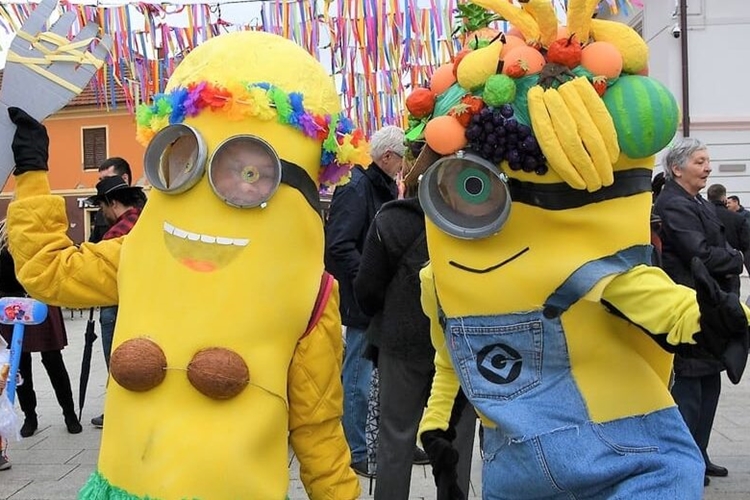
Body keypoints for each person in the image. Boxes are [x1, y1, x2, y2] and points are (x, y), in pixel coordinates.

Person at [4, 29, 363, 499]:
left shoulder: (308, 294)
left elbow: (318, 423)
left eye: (249, 173)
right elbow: (48, 271)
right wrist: (32, 175)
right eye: (186, 163)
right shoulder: (140, 253)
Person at [353, 152, 476, 499]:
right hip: (460, 346)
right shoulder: (485, 218)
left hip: (401, 345)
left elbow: (367, 289)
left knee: (395, 437)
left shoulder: (394, 220)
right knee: (455, 440)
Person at [654, 139, 744, 486]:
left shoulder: (697, 201)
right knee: (690, 385)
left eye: (707, 161)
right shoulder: (674, 203)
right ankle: (686, 459)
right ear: (677, 168)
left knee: (710, 381)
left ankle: (700, 452)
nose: (708, 167)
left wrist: (728, 256)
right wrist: (735, 259)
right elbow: (701, 253)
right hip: (689, 303)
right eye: (700, 162)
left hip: (709, 302)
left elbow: (717, 247)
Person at [324, 124, 404, 477]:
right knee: (357, 376)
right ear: (387, 157)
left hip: (380, 296)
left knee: (385, 375)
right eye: (401, 160)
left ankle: (391, 443)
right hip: (362, 299)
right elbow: (338, 246)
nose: (403, 168)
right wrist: (369, 279)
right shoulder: (356, 188)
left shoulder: (379, 185)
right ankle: (354, 449)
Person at [0, 220, 82, 437]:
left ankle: (69, 414)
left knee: (53, 360)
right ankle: (30, 416)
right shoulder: (2, 241)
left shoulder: (42, 236)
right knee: (20, 364)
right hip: (13, 307)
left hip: (41, 303)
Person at [87, 160, 145, 429]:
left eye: (101, 205)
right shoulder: (147, 217)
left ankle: (121, 413)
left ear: (112, 203)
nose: (101, 212)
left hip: (115, 304)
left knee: (117, 362)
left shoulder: (119, 231)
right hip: (143, 304)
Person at [707, 183, 750, 275]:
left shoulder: (700, 214)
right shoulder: (738, 218)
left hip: (707, 266)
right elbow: (746, 244)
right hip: (731, 267)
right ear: (724, 198)